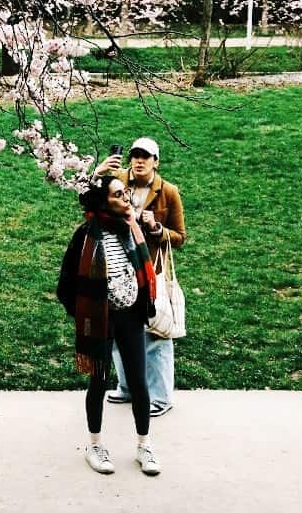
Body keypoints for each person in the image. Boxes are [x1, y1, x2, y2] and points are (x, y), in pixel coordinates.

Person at [56, 175, 161, 476]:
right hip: (101, 320)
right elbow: (66, 286)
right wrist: (85, 315)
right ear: (103, 202)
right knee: (99, 382)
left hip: (130, 317)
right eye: (117, 195)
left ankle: (144, 445)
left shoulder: (132, 229)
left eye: (125, 192)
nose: (125, 198)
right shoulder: (86, 236)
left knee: (139, 383)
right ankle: (95, 445)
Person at [95, 137, 186, 417]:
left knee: (156, 335)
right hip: (120, 271)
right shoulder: (118, 182)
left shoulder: (168, 192)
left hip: (151, 272)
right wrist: (98, 173)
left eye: (145, 156)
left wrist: (156, 227)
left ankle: (160, 397)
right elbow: (90, 200)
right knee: (122, 331)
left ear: (156, 161)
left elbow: (180, 236)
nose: (139, 160)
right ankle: (127, 388)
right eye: (135, 155)